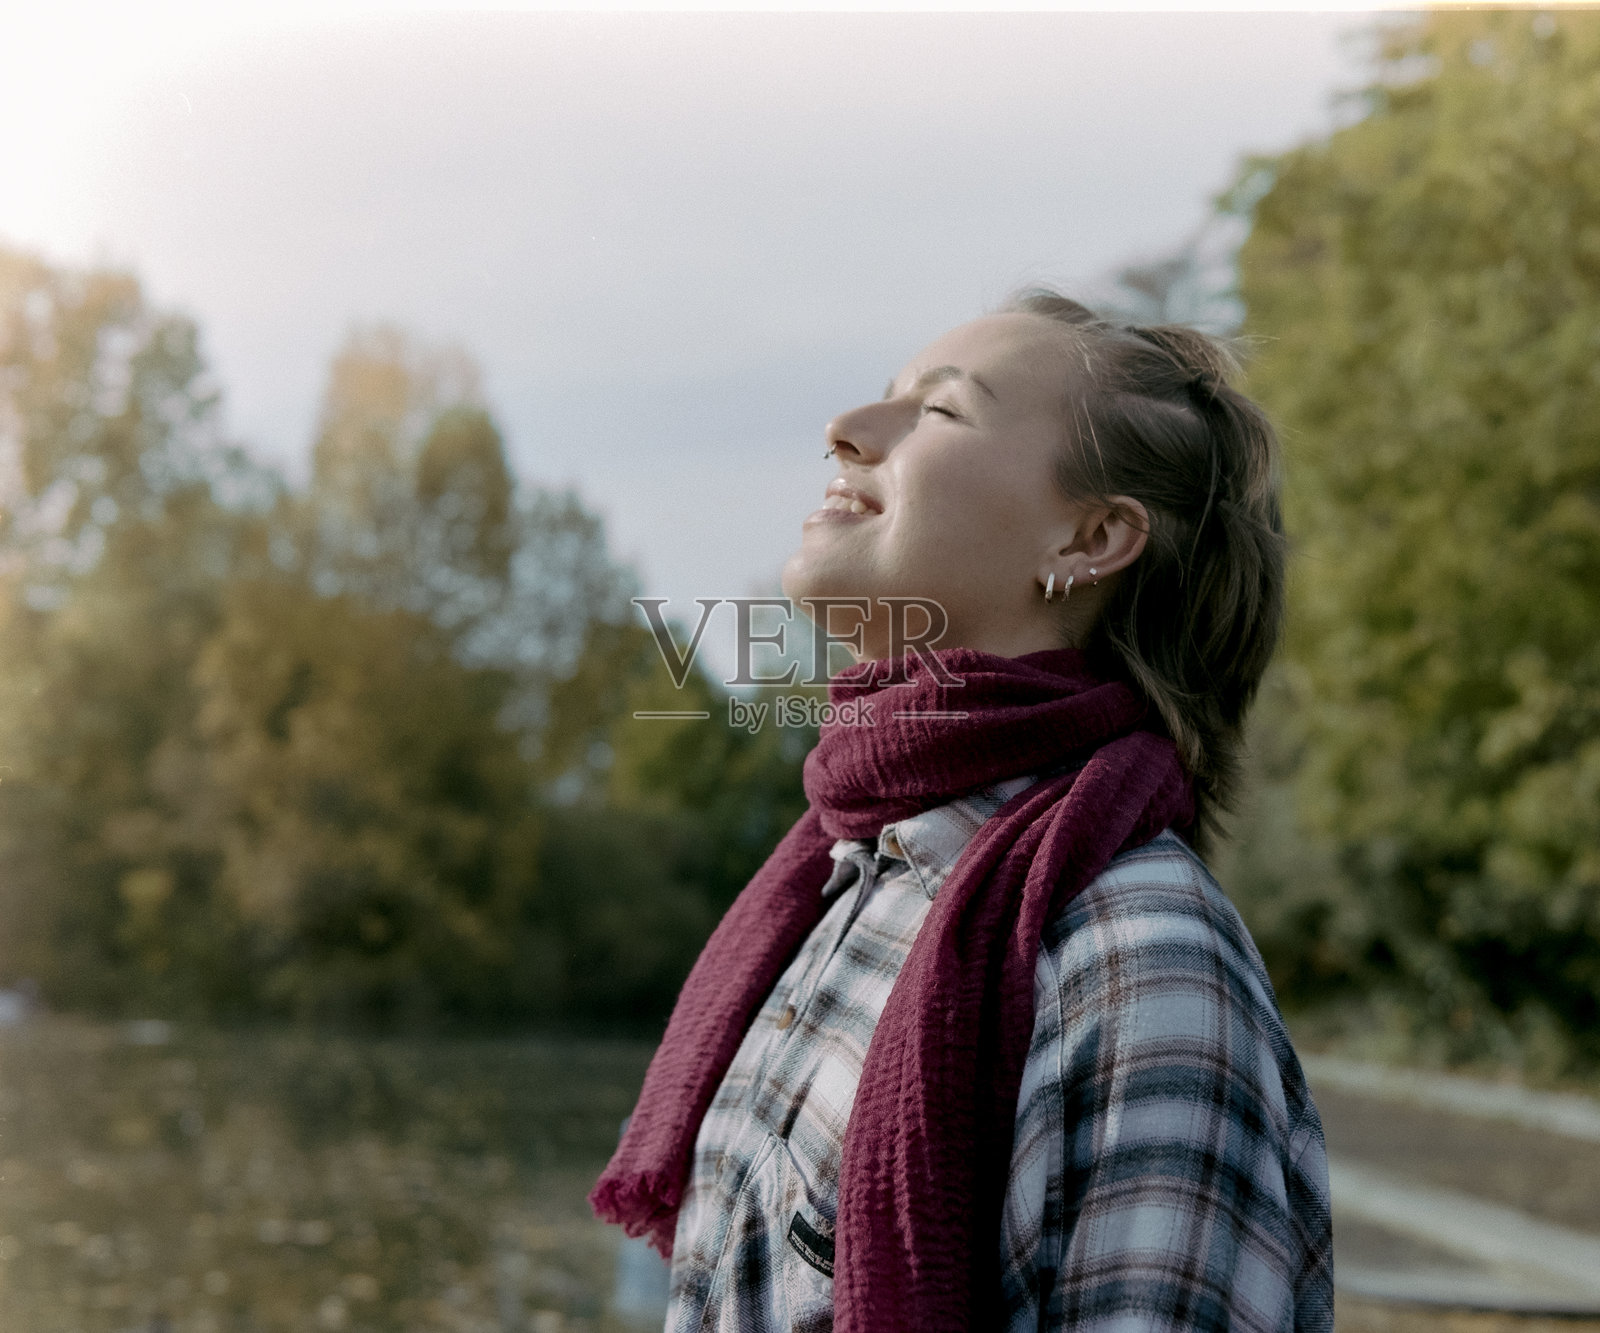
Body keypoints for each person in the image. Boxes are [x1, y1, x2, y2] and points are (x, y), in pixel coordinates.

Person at [593, 291, 1333, 1332]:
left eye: (939, 413)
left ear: (1091, 536)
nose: (843, 430)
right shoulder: (843, 882)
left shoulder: (1140, 959)